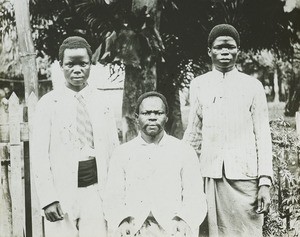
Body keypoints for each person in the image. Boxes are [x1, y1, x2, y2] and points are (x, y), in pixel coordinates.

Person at [183, 24, 273, 237]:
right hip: (211, 177)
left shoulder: (253, 86)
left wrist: (264, 183)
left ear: (238, 51)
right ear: (209, 51)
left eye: (230, 47)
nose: (225, 52)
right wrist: (180, 170)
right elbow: (193, 134)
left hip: (245, 180)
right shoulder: (199, 85)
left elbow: (262, 136)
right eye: (219, 47)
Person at [31, 36, 119, 237]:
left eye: (83, 64)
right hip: (61, 192)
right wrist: (49, 199)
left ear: (91, 65)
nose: (77, 69)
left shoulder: (102, 102)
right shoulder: (48, 104)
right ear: (61, 65)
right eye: (70, 64)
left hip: (97, 191)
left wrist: (114, 193)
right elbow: (39, 156)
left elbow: (113, 149)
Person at [103, 91, 207, 237]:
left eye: (158, 113)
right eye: (146, 113)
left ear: (166, 117)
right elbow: (113, 195)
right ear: (137, 118)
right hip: (133, 227)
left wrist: (184, 220)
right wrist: (122, 220)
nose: (152, 117)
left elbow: (195, 195)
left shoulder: (183, 150)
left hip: (172, 227)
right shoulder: (122, 153)